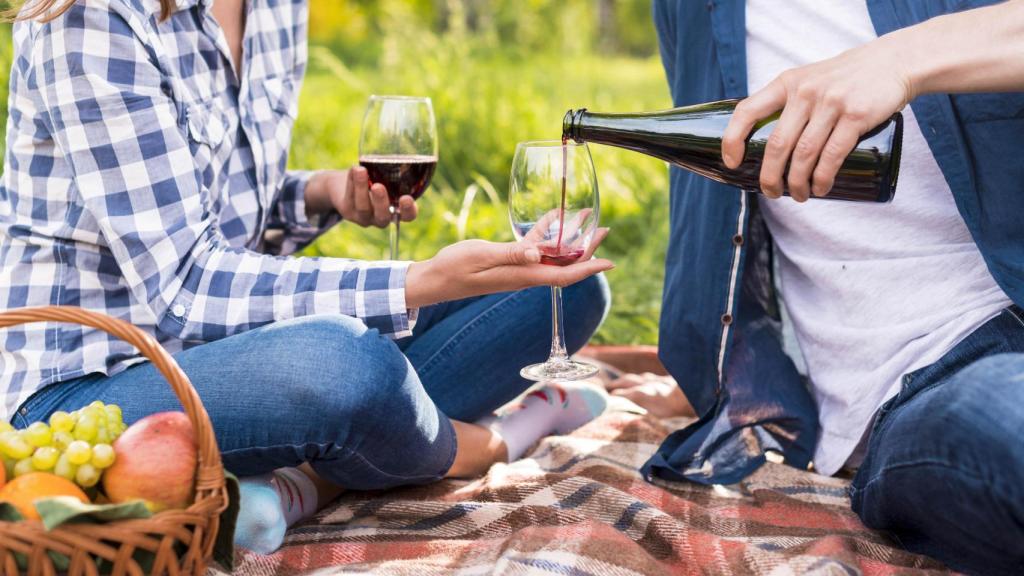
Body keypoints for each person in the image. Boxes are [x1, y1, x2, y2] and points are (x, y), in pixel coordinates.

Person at [0, 0, 613, 554]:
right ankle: (501, 439)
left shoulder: (276, 7)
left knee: (561, 290)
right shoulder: (95, 18)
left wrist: (322, 194)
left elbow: (214, 207)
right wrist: (423, 279)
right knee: (344, 365)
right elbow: (187, 284)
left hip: (224, 355)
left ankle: (301, 477)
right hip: (86, 388)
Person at [609, 1, 1024, 574]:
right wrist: (719, 372)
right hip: (929, 371)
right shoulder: (695, 11)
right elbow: (714, 214)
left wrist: (900, 58)